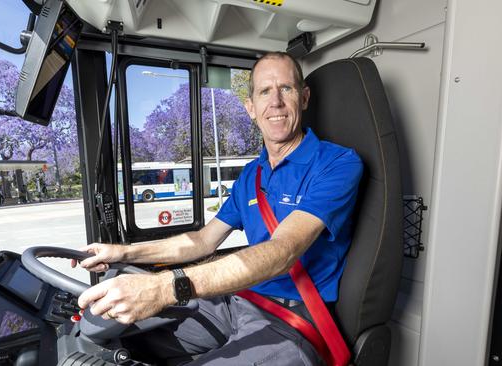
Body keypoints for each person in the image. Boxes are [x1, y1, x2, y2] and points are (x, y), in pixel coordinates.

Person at [73, 52, 363, 365]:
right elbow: (202, 241)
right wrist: (123, 253)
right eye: (264, 91)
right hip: (239, 301)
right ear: (250, 108)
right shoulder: (252, 175)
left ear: (304, 98)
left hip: (291, 320)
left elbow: (283, 251)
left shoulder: (337, 163)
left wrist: (161, 289)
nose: (276, 102)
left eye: (286, 89)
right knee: (125, 339)